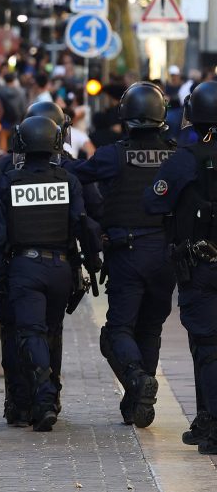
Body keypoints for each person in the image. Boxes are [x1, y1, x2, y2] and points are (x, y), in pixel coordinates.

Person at [72, 82, 176, 428]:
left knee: (117, 331)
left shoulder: (112, 155)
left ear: (126, 117)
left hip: (127, 254)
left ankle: (137, 379)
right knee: (150, 328)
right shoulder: (177, 155)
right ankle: (138, 400)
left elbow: (72, 176)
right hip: (166, 255)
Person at [0, 116, 98, 431]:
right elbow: (81, 225)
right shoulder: (68, 181)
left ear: (21, 143)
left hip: (25, 268)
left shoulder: (10, 181)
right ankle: (44, 400)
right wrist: (86, 265)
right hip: (60, 268)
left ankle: (43, 399)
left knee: (30, 334)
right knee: (50, 332)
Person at [143, 81, 217, 455]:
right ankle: (205, 420)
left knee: (206, 346)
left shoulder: (186, 157)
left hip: (201, 265)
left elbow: (153, 202)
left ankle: (213, 426)